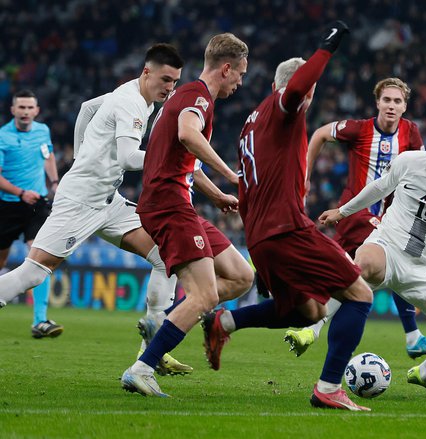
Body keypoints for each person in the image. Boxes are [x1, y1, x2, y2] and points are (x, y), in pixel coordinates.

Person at [203, 21, 373, 411]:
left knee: (306, 309)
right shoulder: (286, 108)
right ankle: (329, 388)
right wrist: (326, 49)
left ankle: (224, 323)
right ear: (303, 89)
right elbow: (296, 88)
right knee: (359, 294)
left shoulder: (251, 123)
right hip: (287, 230)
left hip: (262, 236)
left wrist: (260, 256)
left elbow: (248, 188)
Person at [0, 45, 192, 374]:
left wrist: (79, 155)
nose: (169, 88)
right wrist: (177, 160)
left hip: (108, 201)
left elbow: (88, 108)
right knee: (33, 273)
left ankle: (152, 352)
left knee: (166, 255)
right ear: (146, 72)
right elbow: (129, 157)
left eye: (174, 82)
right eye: (165, 79)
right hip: (80, 200)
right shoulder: (131, 102)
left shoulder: (134, 94)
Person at [320, 114, 426, 397]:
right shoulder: (410, 161)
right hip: (388, 246)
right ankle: (312, 329)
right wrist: (342, 211)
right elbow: (379, 187)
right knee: (361, 265)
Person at [120, 33, 254, 397]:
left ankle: (166, 323)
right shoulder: (196, 97)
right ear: (225, 68)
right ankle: (143, 367)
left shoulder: (184, 97)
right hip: (168, 206)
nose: (240, 82)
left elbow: (187, 163)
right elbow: (188, 135)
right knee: (205, 295)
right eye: (240, 73)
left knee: (241, 276)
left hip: (181, 203)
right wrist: (231, 174)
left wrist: (218, 194)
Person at [284, 77, 426, 359]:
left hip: (389, 214)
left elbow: (420, 171)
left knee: (350, 277)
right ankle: (412, 336)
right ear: (377, 103)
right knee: (390, 258)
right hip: (356, 214)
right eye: (387, 100)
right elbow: (318, 134)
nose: (391, 106)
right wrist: (305, 177)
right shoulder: (359, 129)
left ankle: (311, 331)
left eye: (397, 101)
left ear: (405, 107)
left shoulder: (411, 133)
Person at [0, 90, 61, 338]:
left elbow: (48, 157)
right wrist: (20, 192)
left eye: (29, 108)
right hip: (8, 205)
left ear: (36, 111)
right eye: (21, 107)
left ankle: (40, 321)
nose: (25, 112)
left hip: (36, 203)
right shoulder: (3, 136)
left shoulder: (42, 131)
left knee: (40, 256)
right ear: (13, 110)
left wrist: (55, 181)